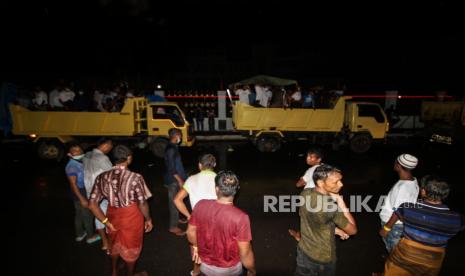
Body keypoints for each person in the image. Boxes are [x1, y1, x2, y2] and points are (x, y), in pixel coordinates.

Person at [375, 175, 465, 276]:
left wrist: (386, 228)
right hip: (433, 260)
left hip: (405, 256)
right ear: (445, 194)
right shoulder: (456, 218)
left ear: (423, 191)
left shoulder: (408, 208)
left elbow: (398, 214)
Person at [89, 145, 153, 276]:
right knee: (131, 247)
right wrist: (148, 219)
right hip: (131, 216)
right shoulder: (135, 177)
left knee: (114, 243)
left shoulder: (102, 177)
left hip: (112, 213)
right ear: (129, 158)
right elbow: (142, 202)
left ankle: (114, 271)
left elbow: (92, 203)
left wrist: (105, 221)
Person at [187, 171, 256, 276]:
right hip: (230, 271)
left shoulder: (200, 205)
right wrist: (252, 270)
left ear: (216, 189)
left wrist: (196, 247)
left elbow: (190, 232)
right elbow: (245, 253)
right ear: (235, 191)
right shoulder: (241, 217)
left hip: (205, 268)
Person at [295, 164, 357, 276]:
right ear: (320, 183)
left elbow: (316, 220)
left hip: (303, 251)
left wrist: (336, 230)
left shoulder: (305, 193)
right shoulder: (330, 207)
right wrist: (341, 202)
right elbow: (352, 230)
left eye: (341, 180)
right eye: (336, 182)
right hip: (322, 259)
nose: (341, 184)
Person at [174, 153, 218, 276]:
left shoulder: (191, 179)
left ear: (199, 165)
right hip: (218, 220)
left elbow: (177, 199)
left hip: (198, 221)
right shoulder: (220, 179)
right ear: (214, 165)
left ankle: (196, 271)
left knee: (196, 247)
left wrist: (189, 216)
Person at [379, 154, 419, 252]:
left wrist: (387, 228)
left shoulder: (403, 188)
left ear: (398, 166)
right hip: (397, 225)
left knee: (394, 252)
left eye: (395, 162)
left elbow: (399, 211)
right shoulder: (412, 180)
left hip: (394, 226)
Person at [83, 137, 114, 250]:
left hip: (90, 191)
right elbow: (112, 174)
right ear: (106, 145)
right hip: (101, 192)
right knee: (106, 216)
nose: (110, 149)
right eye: (110, 147)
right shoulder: (102, 158)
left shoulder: (87, 155)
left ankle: (105, 242)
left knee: (98, 216)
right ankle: (110, 243)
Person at [289, 147, 325, 240]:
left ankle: (300, 237)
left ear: (319, 159)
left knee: (305, 218)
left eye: (311, 157)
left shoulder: (311, 170)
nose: (308, 158)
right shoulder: (325, 167)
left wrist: (302, 180)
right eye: (308, 156)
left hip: (310, 197)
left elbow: (298, 184)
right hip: (322, 197)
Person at [64, 142, 97, 243]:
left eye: (79, 150)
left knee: (79, 214)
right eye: (75, 151)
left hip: (78, 191)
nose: (78, 152)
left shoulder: (78, 162)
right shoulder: (71, 166)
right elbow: (73, 184)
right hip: (79, 192)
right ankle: (90, 237)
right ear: (69, 154)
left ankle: (80, 234)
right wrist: (82, 198)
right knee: (87, 215)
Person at [164, 128, 188, 236]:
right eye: (180, 135)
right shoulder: (170, 149)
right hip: (173, 180)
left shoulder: (174, 147)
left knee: (177, 200)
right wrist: (180, 180)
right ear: (176, 136)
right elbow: (171, 168)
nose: (181, 137)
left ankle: (177, 219)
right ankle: (173, 227)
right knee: (174, 202)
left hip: (176, 178)